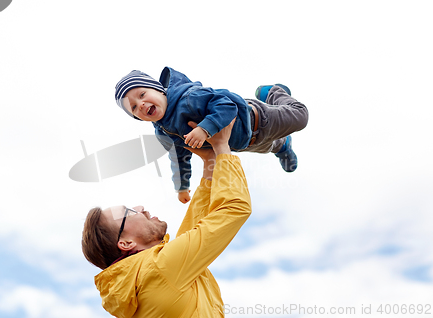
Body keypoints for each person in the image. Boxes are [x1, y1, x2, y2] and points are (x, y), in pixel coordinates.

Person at [82, 119, 252, 317]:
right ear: (126, 243)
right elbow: (234, 208)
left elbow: (194, 228)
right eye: (128, 212)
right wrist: (222, 147)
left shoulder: (144, 278)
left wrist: (210, 161)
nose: (140, 208)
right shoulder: (159, 269)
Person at [114, 67, 309, 203]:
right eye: (133, 107)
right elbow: (179, 156)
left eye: (141, 95)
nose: (140, 104)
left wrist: (204, 129)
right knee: (270, 146)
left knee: (301, 117)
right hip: (245, 143)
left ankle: (273, 93)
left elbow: (227, 104)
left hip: (259, 119)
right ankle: (283, 147)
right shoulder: (163, 133)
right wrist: (182, 186)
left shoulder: (189, 98)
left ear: (159, 90)